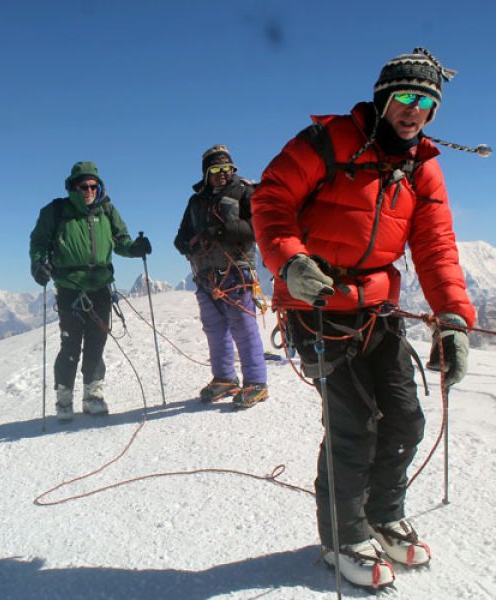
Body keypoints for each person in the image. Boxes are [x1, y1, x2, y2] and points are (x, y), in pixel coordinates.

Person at [251, 48, 476, 589]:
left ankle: (382, 512)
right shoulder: (326, 143)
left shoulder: (422, 165)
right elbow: (270, 200)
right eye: (405, 96)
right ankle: (343, 535)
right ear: (383, 97)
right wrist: (290, 260)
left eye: (426, 101)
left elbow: (436, 245)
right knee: (353, 425)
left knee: (403, 417)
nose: (414, 108)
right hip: (317, 304)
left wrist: (452, 318)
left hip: (376, 307)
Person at [29, 161, 152, 421]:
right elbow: (38, 242)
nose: (88, 190)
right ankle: (64, 400)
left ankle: (93, 396)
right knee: (70, 345)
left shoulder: (106, 210)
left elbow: (121, 241)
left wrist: (135, 248)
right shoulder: (56, 211)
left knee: (96, 344)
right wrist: (38, 264)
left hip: (100, 287)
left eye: (93, 185)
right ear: (72, 186)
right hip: (69, 288)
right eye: (82, 185)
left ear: (99, 186)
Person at [174, 145, 268, 409]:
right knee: (214, 328)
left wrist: (221, 231)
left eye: (227, 168)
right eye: (216, 169)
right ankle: (225, 377)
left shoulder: (245, 192)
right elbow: (181, 235)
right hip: (206, 274)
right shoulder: (196, 201)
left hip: (236, 271)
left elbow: (257, 227)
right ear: (206, 173)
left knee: (243, 327)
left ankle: (256, 382)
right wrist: (186, 243)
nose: (222, 174)